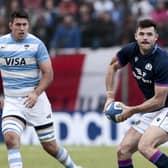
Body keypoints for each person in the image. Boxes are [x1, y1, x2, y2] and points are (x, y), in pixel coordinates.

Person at [0, 10, 82, 168]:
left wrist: (36, 93)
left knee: (50, 146)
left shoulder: (36, 44)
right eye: (18, 24)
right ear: (10, 25)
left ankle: (74, 167)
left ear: (28, 25)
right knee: (10, 138)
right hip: (13, 102)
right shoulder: (1, 44)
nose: (22, 28)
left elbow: (48, 74)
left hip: (36, 101)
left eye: (24, 24)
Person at [104, 18, 168, 168]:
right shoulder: (130, 50)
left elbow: (159, 101)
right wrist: (109, 97)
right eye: (142, 34)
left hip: (165, 106)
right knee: (123, 150)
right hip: (154, 108)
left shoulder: (162, 61)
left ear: (156, 37)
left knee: (145, 146)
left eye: (149, 34)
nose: (145, 37)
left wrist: (131, 110)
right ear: (136, 36)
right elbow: (112, 66)